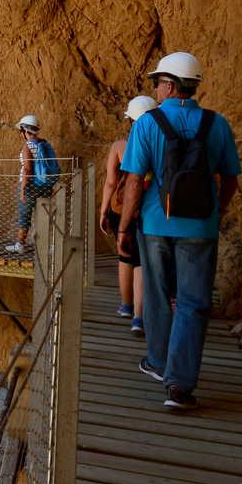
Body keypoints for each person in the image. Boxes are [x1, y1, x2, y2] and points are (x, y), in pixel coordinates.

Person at [115, 52, 240, 410]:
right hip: (201, 226)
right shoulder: (217, 124)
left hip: (155, 224)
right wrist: (216, 213)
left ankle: (157, 362)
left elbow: (135, 182)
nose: (155, 89)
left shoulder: (147, 124)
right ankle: (180, 386)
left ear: (169, 85)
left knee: (157, 294)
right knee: (193, 302)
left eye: (157, 83)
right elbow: (229, 180)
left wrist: (125, 226)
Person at [100, 95, 157, 335]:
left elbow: (111, 182)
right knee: (142, 262)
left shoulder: (120, 146)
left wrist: (103, 211)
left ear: (131, 120)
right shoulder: (161, 144)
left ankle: (126, 305)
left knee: (126, 257)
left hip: (122, 209)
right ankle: (138, 318)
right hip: (149, 208)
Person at [5, 114, 60, 255]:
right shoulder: (45, 143)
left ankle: (20, 245)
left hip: (30, 186)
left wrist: (23, 189)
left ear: (24, 131)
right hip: (45, 186)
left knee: (25, 215)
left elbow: (28, 169)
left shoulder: (27, 146)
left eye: (21, 131)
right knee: (43, 215)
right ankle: (47, 246)